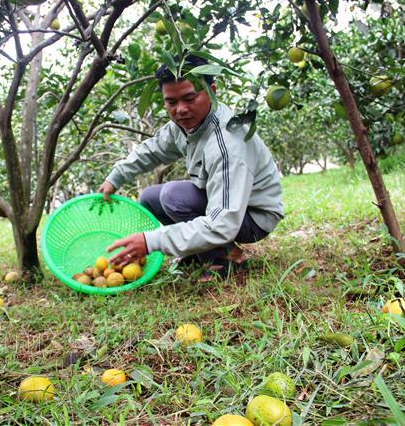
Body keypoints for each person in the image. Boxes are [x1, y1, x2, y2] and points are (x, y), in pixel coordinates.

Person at [98, 54, 284, 278]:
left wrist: (150, 241)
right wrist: (115, 176)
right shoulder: (184, 124)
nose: (181, 109)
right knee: (149, 197)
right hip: (223, 204)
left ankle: (227, 257)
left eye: (190, 98)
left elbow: (224, 224)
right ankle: (200, 251)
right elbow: (153, 149)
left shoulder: (227, 143)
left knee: (173, 196)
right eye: (172, 102)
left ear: (212, 91)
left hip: (253, 216)